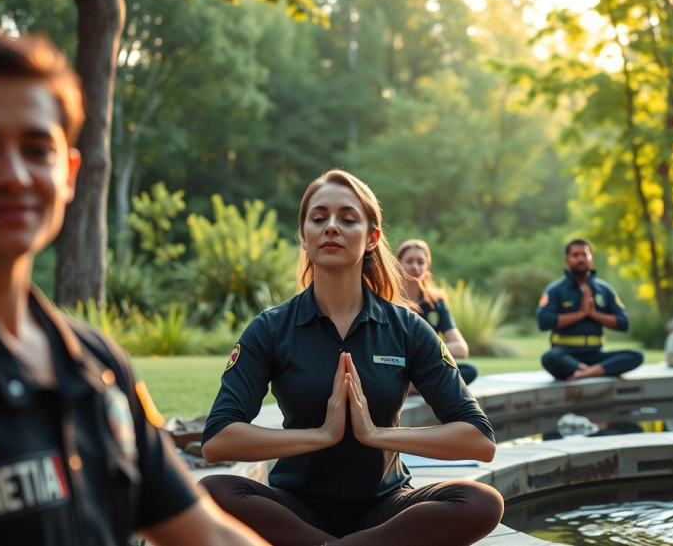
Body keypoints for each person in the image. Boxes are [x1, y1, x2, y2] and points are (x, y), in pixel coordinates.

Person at [0, 29, 266, 545]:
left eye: (37, 149)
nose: (14, 175)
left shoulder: (96, 365)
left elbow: (206, 533)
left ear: (69, 173)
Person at [199, 170, 503, 546]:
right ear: (303, 236)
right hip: (295, 507)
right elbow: (217, 440)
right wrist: (320, 435)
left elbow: (479, 440)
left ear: (372, 238)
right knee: (210, 492)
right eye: (319, 218)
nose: (331, 228)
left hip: (385, 507)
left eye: (347, 219)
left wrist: (376, 434)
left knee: (481, 501)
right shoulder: (271, 329)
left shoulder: (407, 328)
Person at [536, 238, 643, 381]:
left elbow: (623, 323)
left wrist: (594, 314)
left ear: (591, 259)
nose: (581, 259)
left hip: (596, 355)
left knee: (636, 356)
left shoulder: (604, 290)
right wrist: (581, 313)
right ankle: (594, 371)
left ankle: (586, 372)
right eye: (575, 255)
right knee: (549, 358)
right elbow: (543, 322)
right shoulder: (555, 290)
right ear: (566, 260)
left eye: (585, 255)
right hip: (566, 356)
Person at [397, 239, 477, 386]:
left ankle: (408, 388)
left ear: (427, 266)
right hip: (397, 368)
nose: (415, 267)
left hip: (425, 368)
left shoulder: (436, 303)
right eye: (409, 261)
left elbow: (461, 349)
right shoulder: (386, 300)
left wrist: (422, 352)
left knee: (468, 371)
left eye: (421, 262)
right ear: (398, 264)